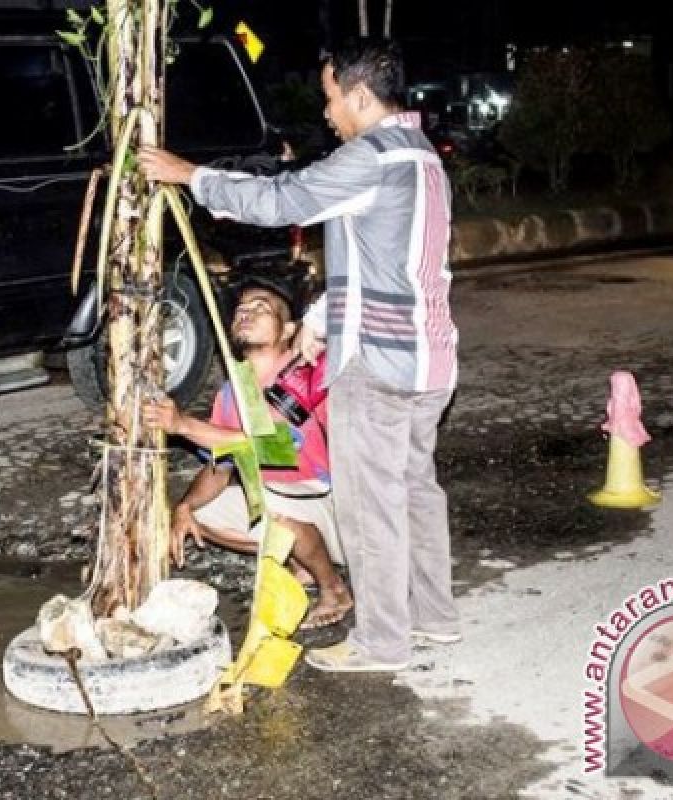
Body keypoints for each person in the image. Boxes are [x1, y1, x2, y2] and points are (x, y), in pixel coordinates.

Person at [140, 38, 459, 672]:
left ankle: (383, 642)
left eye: (331, 97)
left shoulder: (371, 156)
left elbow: (284, 199)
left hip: (379, 363)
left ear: (361, 95)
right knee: (415, 493)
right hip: (431, 356)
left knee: (371, 507)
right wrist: (317, 317)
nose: (327, 113)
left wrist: (190, 176)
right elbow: (380, 261)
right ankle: (434, 618)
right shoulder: (420, 154)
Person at [142, 277, 353, 629]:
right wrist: (184, 507)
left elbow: (273, 449)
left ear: (288, 330)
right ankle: (301, 561)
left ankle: (334, 589)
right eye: (242, 309)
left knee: (273, 505)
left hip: (336, 505)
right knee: (201, 514)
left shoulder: (304, 372)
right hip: (287, 505)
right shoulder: (233, 390)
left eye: (261, 308)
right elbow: (220, 466)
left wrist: (184, 425)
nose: (246, 313)